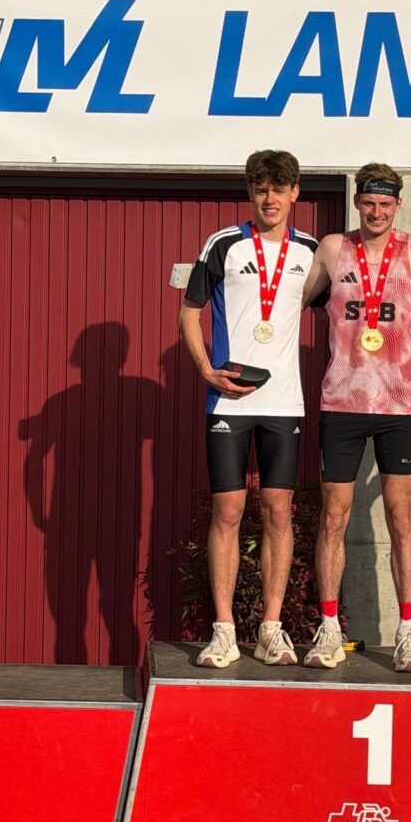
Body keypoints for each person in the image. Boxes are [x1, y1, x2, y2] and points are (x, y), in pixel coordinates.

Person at [300, 163, 411, 672]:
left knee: (401, 517)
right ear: (357, 203)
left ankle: (408, 635)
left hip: (398, 405)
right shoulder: (332, 248)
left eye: (385, 204)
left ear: (398, 205)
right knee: (334, 516)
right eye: (369, 202)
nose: (377, 212)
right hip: (340, 403)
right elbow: (297, 302)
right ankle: (328, 629)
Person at [179, 149, 317, 668]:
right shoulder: (223, 244)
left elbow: (350, 306)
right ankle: (223, 632)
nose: (270, 199)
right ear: (250, 193)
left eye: (279, 189)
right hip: (228, 401)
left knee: (279, 510)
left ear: (295, 193)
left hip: (284, 402)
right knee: (229, 511)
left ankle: (271, 630)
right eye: (261, 190)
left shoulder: (311, 251)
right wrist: (204, 370)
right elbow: (189, 313)